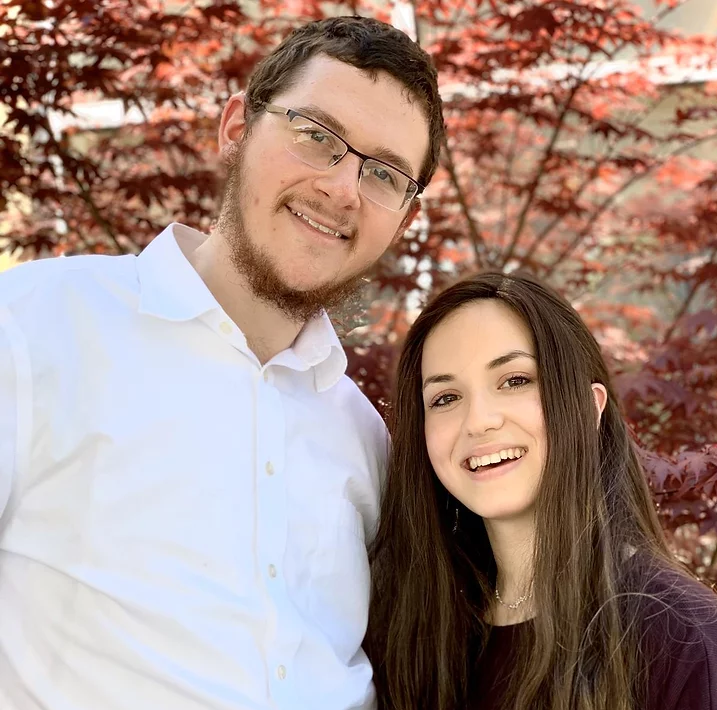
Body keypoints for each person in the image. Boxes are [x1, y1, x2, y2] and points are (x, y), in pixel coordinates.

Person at [0, 16, 445, 710]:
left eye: (384, 173)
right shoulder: (31, 326)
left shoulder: (366, 438)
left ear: (405, 217)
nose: (342, 188)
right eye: (316, 136)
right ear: (236, 126)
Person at [365, 271, 717, 710]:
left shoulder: (685, 639)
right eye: (445, 398)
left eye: (515, 381)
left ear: (590, 408)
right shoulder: (418, 630)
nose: (479, 421)